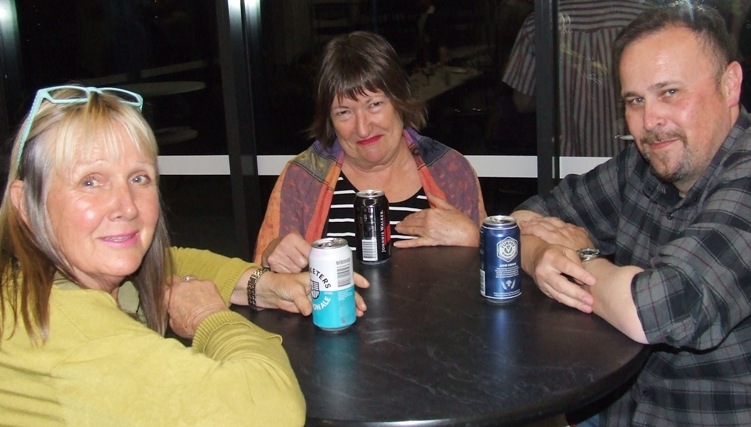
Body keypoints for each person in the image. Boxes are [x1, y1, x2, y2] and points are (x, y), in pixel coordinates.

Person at [0, 85, 362, 425]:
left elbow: (172, 260)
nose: (126, 207)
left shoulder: (47, 280)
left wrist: (265, 285)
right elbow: (271, 408)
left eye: (139, 178)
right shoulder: (79, 343)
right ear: (26, 205)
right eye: (90, 181)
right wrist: (210, 317)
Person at [512, 3, 751, 425]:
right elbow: (528, 216)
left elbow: (659, 309)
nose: (649, 121)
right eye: (634, 100)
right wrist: (535, 256)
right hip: (616, 407)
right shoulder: (641, 167)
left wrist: (585, 257)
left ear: (730, 85)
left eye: (670, 92)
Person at [255, 31, 485, 272]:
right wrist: (270, 258)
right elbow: (262, 283)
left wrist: (474, 239)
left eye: (374, 104)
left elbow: (488, 282)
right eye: (344, 112)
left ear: (399, 100)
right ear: (329, 120)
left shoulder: (450, 171)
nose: (363, 129)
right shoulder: (302, 179)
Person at [502, 0, 653, 157]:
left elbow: (522, 102)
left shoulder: (538, 23)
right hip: (630, 161)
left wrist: (563, 97)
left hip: (565, 163)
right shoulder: (645, 17)